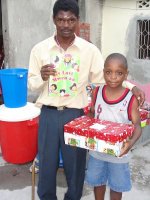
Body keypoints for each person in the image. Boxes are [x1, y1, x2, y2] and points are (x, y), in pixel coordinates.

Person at [28, 0, 145, 199]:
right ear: (54, 20)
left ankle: (73, 197)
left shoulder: (88, 50)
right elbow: (32, 84)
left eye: (71, 20)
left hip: (76, 116)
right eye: (61, 20)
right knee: (46, 164)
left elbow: (107, 77)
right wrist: (42, 76)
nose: (66, 25)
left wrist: (132, 86)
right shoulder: (40, 49)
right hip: (48, 113)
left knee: (76, 165)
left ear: (78, 21)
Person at [85, 53, 142, 200]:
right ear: (103, 72)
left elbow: (137, 126)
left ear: (126, 74)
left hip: (119, 155)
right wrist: (81, 130)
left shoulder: (130, 99)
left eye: (119, 73)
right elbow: (92, 115)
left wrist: (129, 144)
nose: (113, 77)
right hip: (96, 152)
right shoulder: (96, 93)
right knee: (98, 183)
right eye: (108, 72)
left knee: (117, 187)